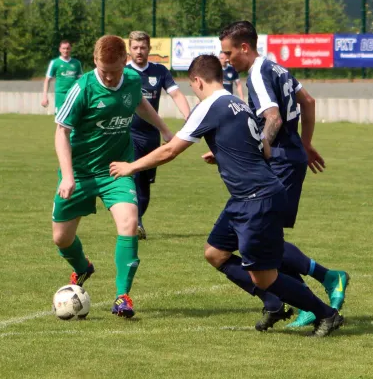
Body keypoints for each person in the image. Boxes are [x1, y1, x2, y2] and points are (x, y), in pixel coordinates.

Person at [110, 55, 344, 337]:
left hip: (256, 198)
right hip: (247, 197)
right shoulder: (240, 104)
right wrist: (225, 152)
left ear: (197, 81)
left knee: (264, 276)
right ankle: (273, 304)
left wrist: (131, 166)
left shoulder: (208, 106)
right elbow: (265, 151)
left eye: (192, 85)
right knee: (215, 253)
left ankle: (326, 314)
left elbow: (171, 150)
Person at [218, 21, 349, 328]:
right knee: (262, 238)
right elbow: (308, 102)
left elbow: (273, 118)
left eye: (228, 52)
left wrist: (260, 146)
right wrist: (304, 144)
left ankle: (319, 287)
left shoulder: (258, 75)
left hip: (279, 164)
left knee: (263, 238)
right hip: (288, 159)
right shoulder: (276, 68)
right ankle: (305, 293)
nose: (225, 59)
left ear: (244, 48)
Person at [52, 35, 174, 318]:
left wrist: (165, 130)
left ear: (124, 61)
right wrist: (67, 176)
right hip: (79, 173)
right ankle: (83, 268)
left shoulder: (131, 80)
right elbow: (61, 131)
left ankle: (122, 297)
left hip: (116, 169)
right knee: (61, 239)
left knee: (130, 222)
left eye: (114, 71)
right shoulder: (82, 88)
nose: (108, 77)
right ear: (95, 61)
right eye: (103, 71)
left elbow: (139, 104)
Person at [127, 31, 191, 240]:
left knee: (145, 186)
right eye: (135, 48)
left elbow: (176, 94)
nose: (139, 51)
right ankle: (135, 223)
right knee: (134, 178)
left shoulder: (160, 71)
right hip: (129, 134)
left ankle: (137, 220)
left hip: (152, 137)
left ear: (149, 49)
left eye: (143, 47)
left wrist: (190, 117)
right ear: (129, 49)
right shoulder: (123, 72)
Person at [42, 40, 83, 115]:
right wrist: (45, 96)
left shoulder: (76, 63)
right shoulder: (55, 62)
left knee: (73, 118)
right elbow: (47, 80)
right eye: (64, 48)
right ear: (60, 49)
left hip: (73, 94)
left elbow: (81, 81)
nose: (66, 50)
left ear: (70, 49)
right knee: (60, 118)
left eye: (67, 48)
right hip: (60, 94)